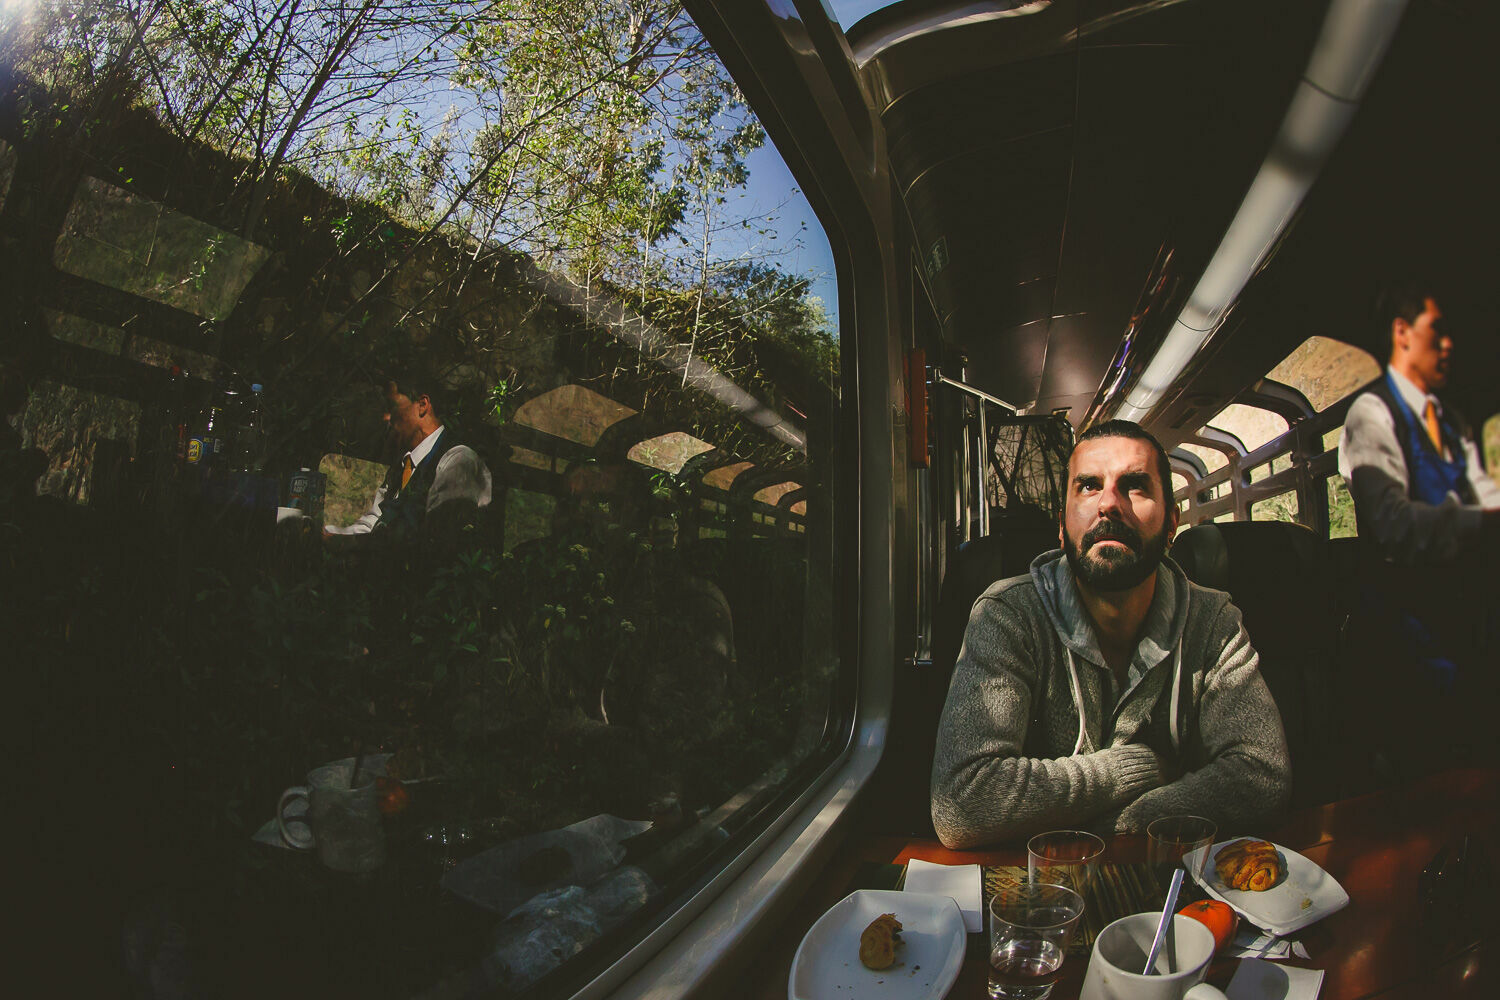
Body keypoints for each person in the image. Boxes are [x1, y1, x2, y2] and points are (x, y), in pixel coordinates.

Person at [930, 420, 1290, 848]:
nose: (1109, 504)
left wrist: (1128, 819)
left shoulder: (1214, 623)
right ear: (1062, 527)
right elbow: (962, 804)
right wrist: (1135, 768)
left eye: (1135, 485)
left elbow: (1262, 774)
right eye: (1087, 486)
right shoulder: (1009, 615)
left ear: (1172, 523)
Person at [1338, 282, 1500, 566]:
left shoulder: (1451, 419)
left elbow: (1478, 487)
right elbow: (1393, 525)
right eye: (1436, 329)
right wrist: (1481, 521)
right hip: (1408, 595)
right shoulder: (1371, 414)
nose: (1448, 343)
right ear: (1402, 333)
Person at [323, 375, 492, 543]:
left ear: (422, 405)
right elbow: (375, 521)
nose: (386, 417)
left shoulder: (458, 460)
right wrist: (333, 533)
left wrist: (346, 543)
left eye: (392, 406)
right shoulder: (403, 465)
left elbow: (430, 541)